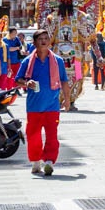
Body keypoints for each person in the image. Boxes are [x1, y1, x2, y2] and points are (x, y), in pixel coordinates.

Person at [15, 29, 68, 176]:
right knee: (33, 135)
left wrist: (67, 100)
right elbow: (18, 79)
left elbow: (64, 81)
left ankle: (49, 161)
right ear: (35, 42)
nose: (44, 41)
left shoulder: (58, 61)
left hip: (52, 106)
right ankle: (36, 161)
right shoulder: (27, 61)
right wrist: (27, 82)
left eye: (46, 38)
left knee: (52, 135)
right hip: (34, 106)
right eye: (40, 39)